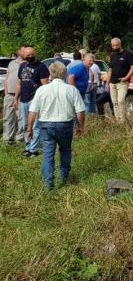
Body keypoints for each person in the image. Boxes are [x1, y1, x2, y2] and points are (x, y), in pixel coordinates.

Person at [28, 61, 86, 189]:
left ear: (50, 73)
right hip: (65, 125)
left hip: (46, 125)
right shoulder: (72, 90)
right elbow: (80, 111)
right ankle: (64, 176)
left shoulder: (42, 90)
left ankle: (48, 183)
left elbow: (33, 111)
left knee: (48, 153)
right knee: (65, 150)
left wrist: (29, 129)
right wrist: (81, 126)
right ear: (65, 73)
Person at [14, 46, 50, 158]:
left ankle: (33, 149)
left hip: (35, 101)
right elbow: (19, 83)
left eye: (31, 55)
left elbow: (45, 86)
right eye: (27, 55)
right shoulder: (22, 66)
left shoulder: (42, 67)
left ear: (35, 54)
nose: (29, 57)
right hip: (23, 99)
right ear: (24, 55)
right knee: (25, 125)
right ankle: (27, 146)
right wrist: (16, 98)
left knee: (35, 126)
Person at [108, 38, 133, 121]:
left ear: (120, 45)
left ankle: (123, 121)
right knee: (114, 102)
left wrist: (126, 78)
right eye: (113, 45)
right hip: (112, 82)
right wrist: (107, 83)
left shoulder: (128, 54)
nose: (115, 47)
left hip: (122, 82)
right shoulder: (112, 55)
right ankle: (118, 120)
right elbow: (110, 69)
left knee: (120, 101)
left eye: (116, 45)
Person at [3, 45, 24, 144]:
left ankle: (20, 138)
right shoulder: (12, 63)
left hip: (22, 95)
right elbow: (7, 78)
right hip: (10, 95)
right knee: (8, 117)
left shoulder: (29, 64)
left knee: (21, 118)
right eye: (23, 50)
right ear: (19, 51)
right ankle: (8, 138)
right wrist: (6, 92)